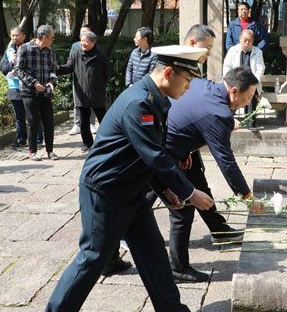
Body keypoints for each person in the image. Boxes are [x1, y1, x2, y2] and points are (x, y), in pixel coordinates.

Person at [45, 45, 213, 312]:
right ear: (169, 73)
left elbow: (144, 154)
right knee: (92, 258)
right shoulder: (140, 103)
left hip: (132, 191)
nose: (189, 87)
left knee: (154, 255)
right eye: (188, 80)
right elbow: (154, 156)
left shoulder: (155, 99)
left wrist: (166, 191)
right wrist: (189, 191)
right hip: (106, 192)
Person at [128, 25, 264, 284]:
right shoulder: (221, 114)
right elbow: (227, 162)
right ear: (233, 91)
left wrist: (185, 149)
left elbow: (186, 115)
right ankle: (177, 268)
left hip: (172, 147)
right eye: (247, 99)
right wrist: (247, 197)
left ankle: (219, 231)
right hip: (159, 150)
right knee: (181, 208)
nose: (248, 104)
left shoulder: (204, 84)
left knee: (180, 190)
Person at [14, 24, 59, 161]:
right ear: (44, 37)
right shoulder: (25, 48)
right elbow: (18, 69)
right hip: (29, 92)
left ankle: (50, 151)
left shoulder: (50, 51)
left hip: (45, 92)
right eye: (51, 38)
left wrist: (52, 82)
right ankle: (32, 151)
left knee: (49, 122)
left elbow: (53, 70)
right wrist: (33, 83)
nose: (52, 41)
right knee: (33, 121)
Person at [58, 31, 109, 152]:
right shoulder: (76, 54)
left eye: (86, 41)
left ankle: (107, 141)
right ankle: (87, 143)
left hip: (96, 93)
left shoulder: (100, 56)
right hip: (81, 94)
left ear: (93, 42)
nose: (83, 43)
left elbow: (107, 73)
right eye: (82, 41)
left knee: (104, 119)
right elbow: (69, 67)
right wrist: (58, 68)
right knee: (84, 121)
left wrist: (100, 85)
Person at [0, 26, 43, 148]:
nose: (14, 38)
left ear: (23, 36)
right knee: (19, 117)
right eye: (12, 35)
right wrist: (12, 62)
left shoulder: (30, 48)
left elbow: (35, 67)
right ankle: (21, 139)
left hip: (28, 87)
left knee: (33, 115)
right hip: (14, 88)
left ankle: (38, 139)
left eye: (17, 35)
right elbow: (3, 69)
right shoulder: (8, 51)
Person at [223, 29, 265, 129]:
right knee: (232, 95)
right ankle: (228, 122)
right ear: (240, 39)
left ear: (253, 41)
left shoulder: (258, 52)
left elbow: (260, 69)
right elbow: (226, 67)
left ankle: (250, 124)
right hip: (235, 82)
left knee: (252, 94)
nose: (247, 43)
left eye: (249, 40)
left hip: (251, 83)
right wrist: (230, 81)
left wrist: (253, 83)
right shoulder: (233, 50)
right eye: (245, 40)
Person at [68, 24, 97, 136]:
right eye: (82, 33)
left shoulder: (95, 47)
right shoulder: (75, 46)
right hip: (78, 80)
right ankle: (77, 124)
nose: (83, 36)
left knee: (92, 102)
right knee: (77, 103)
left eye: (86, 33)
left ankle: (91, 123)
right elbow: (70, 62)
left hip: (91, 81)